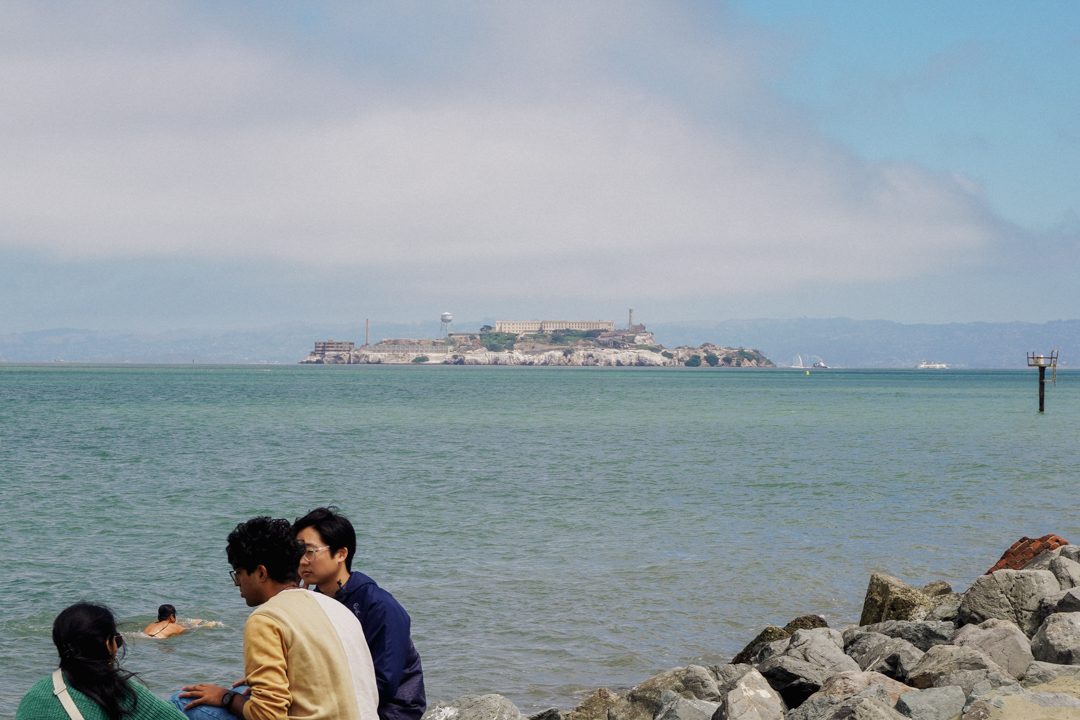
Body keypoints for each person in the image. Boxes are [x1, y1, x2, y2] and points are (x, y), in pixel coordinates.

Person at [172, 516, 378, 720]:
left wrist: (226, 698)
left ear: (261, 573)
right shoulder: (336, 607)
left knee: (180, 702)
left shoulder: (266, 618)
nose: (237, 583)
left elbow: (268, 716)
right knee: (247, 688)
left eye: (239, 572)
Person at [292, 508, 426, 720]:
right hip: (336, 702)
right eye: (297, 552)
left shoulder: (379, 605)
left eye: (310, 552)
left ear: (341, 554)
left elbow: (384, 684)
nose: (301, 560)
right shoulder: (312, 601)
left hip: (390, 711)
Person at [16, 601, 187, 720]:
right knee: (184, 701)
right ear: (109, 645)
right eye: (117, 640)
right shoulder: (122, 693)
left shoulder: (33, 694)